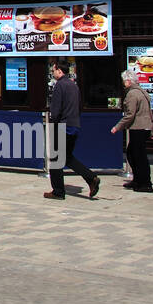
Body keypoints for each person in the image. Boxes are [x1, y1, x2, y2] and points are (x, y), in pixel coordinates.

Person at [45, 61, 99, 200]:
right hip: (74, 125)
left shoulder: (60, 86)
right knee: (67, 157)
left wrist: (53, 122)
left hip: (62, 126)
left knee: (56, 159)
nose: (52, 72)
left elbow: (55, 110)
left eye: (54, 69)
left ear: (59, 71)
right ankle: (91, 178)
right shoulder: (74, 86)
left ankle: (58, 191)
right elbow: (79, 106)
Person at [112, 69, 153, 192]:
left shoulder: (132, 94)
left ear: (128, 81)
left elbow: (130, 114)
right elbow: (150, 113)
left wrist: (117, 127)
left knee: (138, 156)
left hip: (138, 127)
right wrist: (152, 130)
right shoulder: (142, 92)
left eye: (124, 81)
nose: (123, 83)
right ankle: (138, 180)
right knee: (133, 153)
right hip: (144, 127)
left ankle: (145, 183)